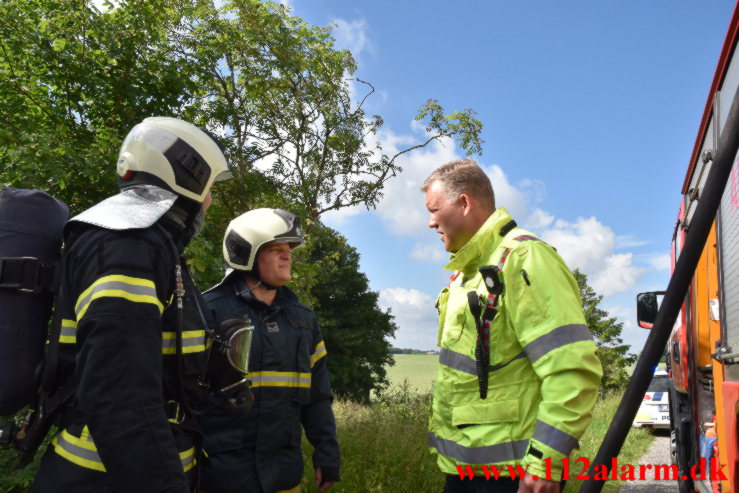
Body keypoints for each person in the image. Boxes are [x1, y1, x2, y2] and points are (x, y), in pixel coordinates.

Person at [32, 117, 231, 493]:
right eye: (209, 188)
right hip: (102, 480)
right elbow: (119, 391)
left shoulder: (151, 244)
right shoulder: (128, 242)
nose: (209, 201)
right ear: (188, 174)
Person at [421, 159, 602, 493]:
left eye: (434, 209)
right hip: (466, 471)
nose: (431, 222)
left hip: (514, 477)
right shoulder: (469, 273)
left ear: (464, 202)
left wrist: (544, 462)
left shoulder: (523, 258)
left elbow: (571, 369)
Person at [199, 208, 340, 493]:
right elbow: (185, 396)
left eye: (288, 249)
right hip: (223, 477)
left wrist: (327, 452)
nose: (287, 255)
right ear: (246, 255)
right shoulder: (207, 312)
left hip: (283, 476)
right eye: (276, 249)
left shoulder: (304, 320)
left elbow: (318, 396)